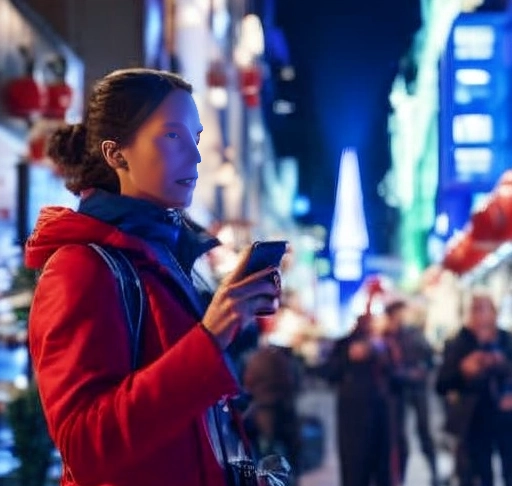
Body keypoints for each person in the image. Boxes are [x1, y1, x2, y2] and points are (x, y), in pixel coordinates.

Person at [24, 68, 283, 486]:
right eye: (173, 137)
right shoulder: (80, 268)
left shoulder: (163, 256)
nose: (195, 157)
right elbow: (84, 445)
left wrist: (236, 320)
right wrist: (210, 337)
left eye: (195, 139)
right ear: (116, 153)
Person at [436, 290, 512, 486]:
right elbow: (442, 384)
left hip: (506, 418)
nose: (480, 316)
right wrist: (463, 371)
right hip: (475, 420)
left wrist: (500, 363)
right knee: (479, 474)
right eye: (475, 310)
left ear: (494, 313)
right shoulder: (460, 343)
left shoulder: (506, 340)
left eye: (484, 309)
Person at [323, 312, 394, 486]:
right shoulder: (345, 345)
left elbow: (392, 375)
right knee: (355, 466)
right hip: (353, 418)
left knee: (380, 464)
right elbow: (330, 373)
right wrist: (348, 357)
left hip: (379, 412)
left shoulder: (382, 345)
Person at [383, 299, 439, 486]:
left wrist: (420, 370)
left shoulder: (414, 334)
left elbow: (430, 358)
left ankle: (434, 473)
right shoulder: (387, 338)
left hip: (417, 389)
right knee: (399, 437)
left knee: (424, 431)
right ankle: (400, 478)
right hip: (398, 391)